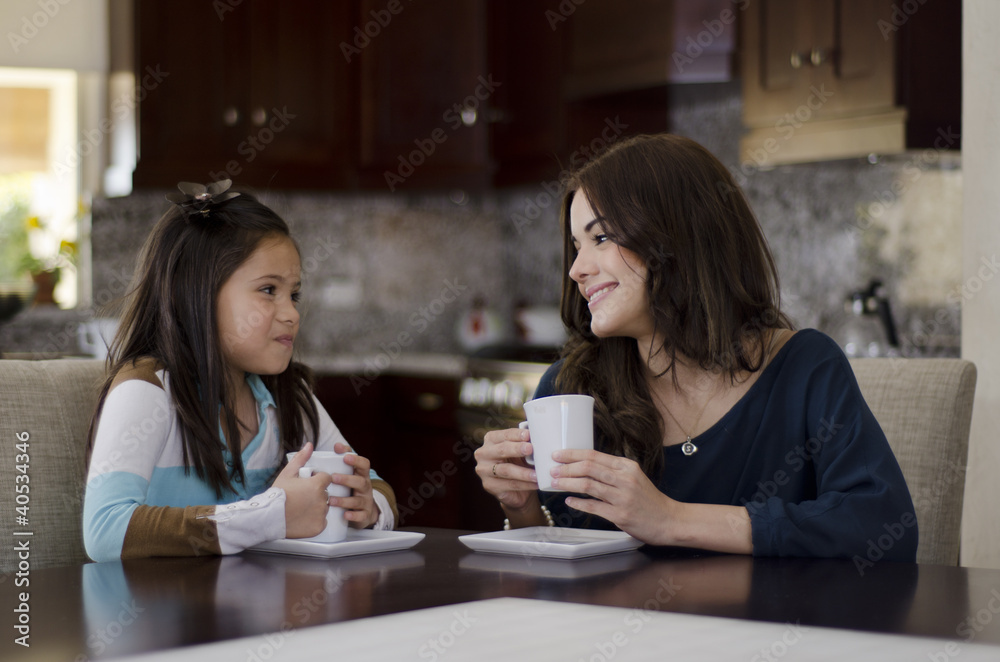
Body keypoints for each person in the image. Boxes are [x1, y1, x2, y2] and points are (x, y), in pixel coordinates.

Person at [475, 134, 918, 560]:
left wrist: (672, 519)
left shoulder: (803, 368)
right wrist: (523, 509)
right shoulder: (571, 388)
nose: (576, 269)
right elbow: (562, 564)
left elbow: (882, 527)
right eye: (575, 246)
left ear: (677, 237)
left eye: (602, 238)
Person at [83, 180, 397, 562]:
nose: (292, 313)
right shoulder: (148, 391)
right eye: (268, 290)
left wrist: (369, 504)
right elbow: (105, 531)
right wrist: (271, 515)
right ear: (197, 293)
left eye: (293, 294)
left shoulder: (287, 399)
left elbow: (378, 486)